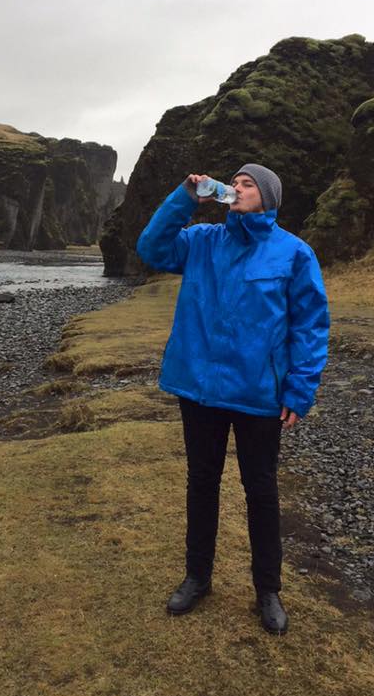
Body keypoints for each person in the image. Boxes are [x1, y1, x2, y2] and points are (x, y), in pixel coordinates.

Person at [136, 163, 329, 635]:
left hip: (258, 393)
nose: (237, 188)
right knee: (202, 481)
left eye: (248, 185)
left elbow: (310, 326)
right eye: (235, 182)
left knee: (260, 490)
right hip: (199, 387)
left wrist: (299, 391)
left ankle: (268, 589)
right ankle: (197, 578)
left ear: (268, 198)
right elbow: (151, 248)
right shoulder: (201, 240)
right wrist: (185, 198)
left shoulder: (294, 253)